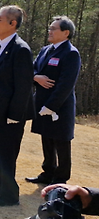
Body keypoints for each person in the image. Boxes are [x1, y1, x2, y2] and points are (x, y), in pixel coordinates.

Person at [0, 5, 33, 207]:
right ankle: (0, 187)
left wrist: (14, 115)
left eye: (0, 19)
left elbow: (23, 87)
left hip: (8, 116)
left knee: (6, 155)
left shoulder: (20, 49)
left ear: (13, 23)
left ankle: (10, 195)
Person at [26, 16, 81, 185]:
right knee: (46, 138)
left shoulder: (71, 53)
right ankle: (47, 172)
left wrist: (51, 106)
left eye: (53, 28)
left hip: (60, 106)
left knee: (61, 141)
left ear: (66, 33)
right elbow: (32, 68)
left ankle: (60, 178)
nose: (49, 31)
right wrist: (37, 77)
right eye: (49, 28)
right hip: (41, 102)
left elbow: (66, 84)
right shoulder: (45, 50)